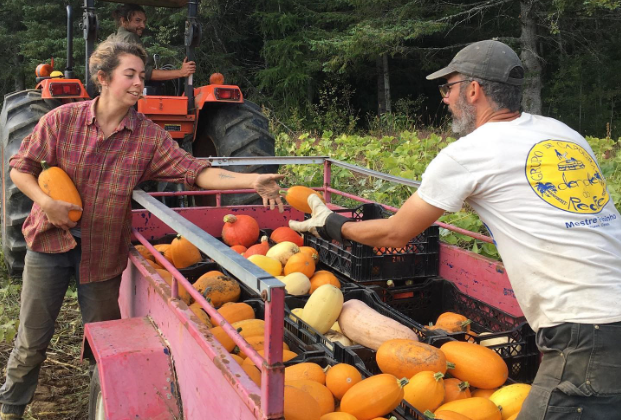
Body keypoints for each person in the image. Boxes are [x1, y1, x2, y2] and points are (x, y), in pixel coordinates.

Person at [290, 40, 621, 419]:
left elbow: (396, 234)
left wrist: (332, 224)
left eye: (448, 88)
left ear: (473, 90)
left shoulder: (470, 152)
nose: (445, 98)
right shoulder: (564, 134)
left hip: (588, 329)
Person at [0, 40, 283, 420]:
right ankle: (11, 408)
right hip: (49, 242)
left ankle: (103, 399)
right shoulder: (61, 120)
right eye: (129, 75)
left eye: (141, 77)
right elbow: (21, 167)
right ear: (103, 78)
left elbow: (196, 172)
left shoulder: (148, 136)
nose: (138, 84)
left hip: (102, 252)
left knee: (105, 338)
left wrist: (251, 182)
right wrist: (46, 202)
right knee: (32, 341)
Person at [106, 3, 196, 82]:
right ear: (124, 21)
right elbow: (145, 72)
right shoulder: (130, 37)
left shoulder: (111, 38)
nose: (143, 25)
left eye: (144, 22)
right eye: (138, 21)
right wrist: (181, 72)